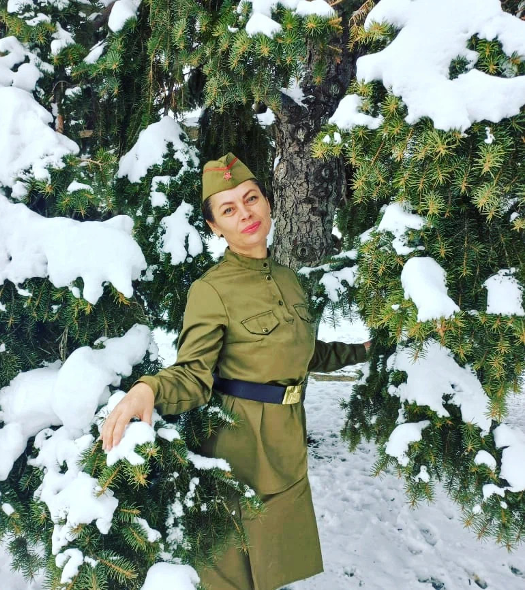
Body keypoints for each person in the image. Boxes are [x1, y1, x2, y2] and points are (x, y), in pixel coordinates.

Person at [100, 153, 371, 590]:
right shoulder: (210, 290)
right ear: (215, 227)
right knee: (231, 573)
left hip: (288, 439)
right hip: (239, 448)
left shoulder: (288, 279)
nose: (245, 213)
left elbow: (301, 354)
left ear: (267, 203)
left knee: (275, 562)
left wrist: (363, 351)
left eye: (251, 199)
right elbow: (192, 374)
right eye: (228, 209)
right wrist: (148, 389)